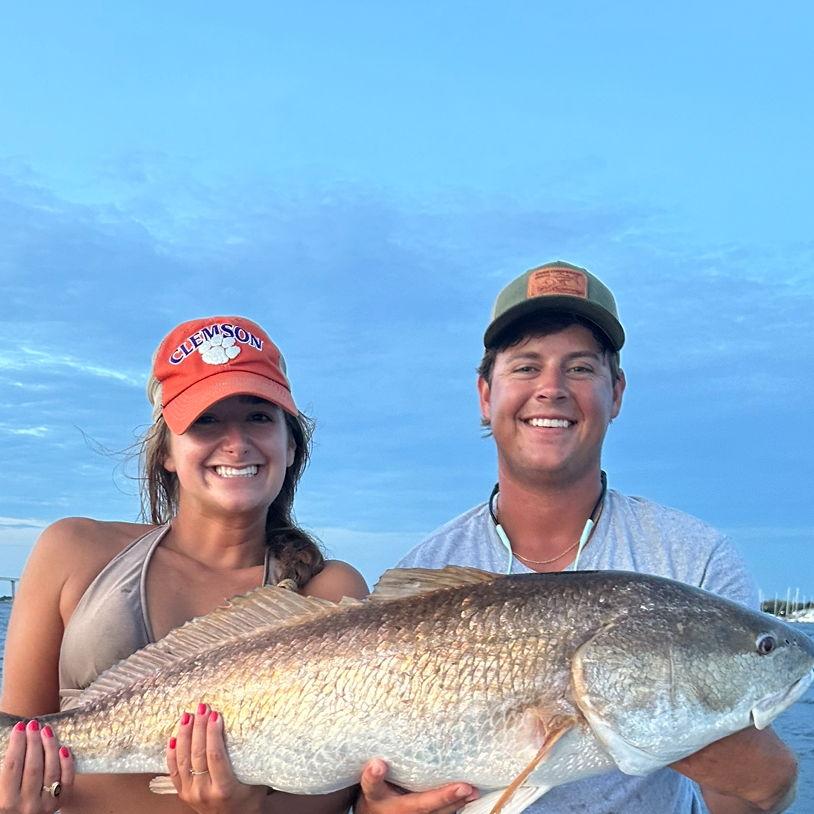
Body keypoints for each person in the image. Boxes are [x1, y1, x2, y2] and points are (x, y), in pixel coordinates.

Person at [359, 261, 799, 814]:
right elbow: (367, 782)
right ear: (483, 394)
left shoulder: (696, 560)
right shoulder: (424, 572)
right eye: (525, 367)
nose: (551, 389)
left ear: (615, 392)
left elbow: (737, 803)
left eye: (580, 368)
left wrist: (766, 788)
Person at [0, 315, 370, 814]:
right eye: (206, 420)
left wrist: (247, 810)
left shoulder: (329, 590)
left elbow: (337, 786)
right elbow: (17, 734)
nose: (236, 442)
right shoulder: (72, 550)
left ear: (290, 444)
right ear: (167, 451)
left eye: (259, 417)